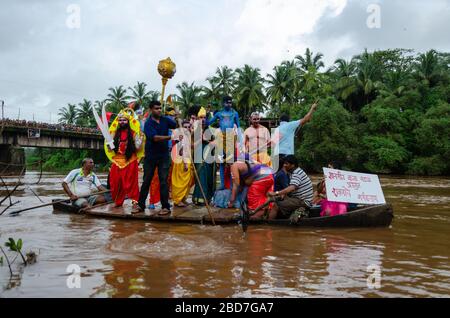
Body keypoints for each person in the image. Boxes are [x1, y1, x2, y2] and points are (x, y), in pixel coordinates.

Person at [137, 101, 177, 215]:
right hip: (150, 156)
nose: (159, 110)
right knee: (146, 181)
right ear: (150, 110)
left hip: (164, 156)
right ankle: (140, 205)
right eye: (156, 108)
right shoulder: (148, 123)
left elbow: (175, 125)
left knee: (164, 181)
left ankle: (165, 207)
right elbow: (155, 138)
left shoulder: (164, 119)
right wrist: (171, 136)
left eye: (160, 108)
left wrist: (177, 118)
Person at [106, 109, 144, 208]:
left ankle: (135, 200)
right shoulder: (115, 133)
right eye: (120, 120)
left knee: (131, 182)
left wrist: (141, 138)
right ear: (118, 121)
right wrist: (109, 145)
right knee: (114, 181)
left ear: (128, 121)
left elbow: (138, 148)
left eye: (124, 120)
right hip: (117, 160)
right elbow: (111, 149)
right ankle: (118, 201)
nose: (122, 122)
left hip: (130, 160)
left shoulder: (133, 133)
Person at [207, 96, 240, 189]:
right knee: (221, 162)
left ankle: (230, 184)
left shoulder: (235, 113)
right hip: (221, 137)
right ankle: (222, 184)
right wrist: (207, 114)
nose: (229, 104)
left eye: (230, 102)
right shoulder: (219, 114)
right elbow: (208, 122)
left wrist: (240, 141)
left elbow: (238, 127)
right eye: (227, 102)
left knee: (230, 162)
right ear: (223, 103)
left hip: (230, 136)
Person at [273, 102, 318, 170]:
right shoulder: (290, 125)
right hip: (287, 156)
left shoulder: (276, 129)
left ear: (280, 121)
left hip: (276, 156)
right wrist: (312, 108)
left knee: (279, 175)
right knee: (290, 174)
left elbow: (273, 143)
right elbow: (306, 119)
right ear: (288, 120)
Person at [267, 155, 313, 220]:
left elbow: (292, 188)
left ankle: (268, 224)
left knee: (276, 205)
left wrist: (276, 193)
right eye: (284, 163)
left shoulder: (297, 173)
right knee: (278, 200)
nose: (284, 165)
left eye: (286, 164)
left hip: (303, 201)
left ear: (293, 165)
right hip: (299, 199)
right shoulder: (293, 172)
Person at [192, 107, 217, 206]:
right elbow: (191, 144)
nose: (203, 119)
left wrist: (208, 141)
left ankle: (207, 197)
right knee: (200, 175)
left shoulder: (211, 130)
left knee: (209, 176)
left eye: (204, 117)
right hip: (198, 154)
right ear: (198, 119)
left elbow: (216, 143)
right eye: (200, 118)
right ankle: (199, 198)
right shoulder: (194, 130)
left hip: (209, 155)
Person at [171, 120, 194, 207]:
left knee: (187, 181)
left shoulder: (188, 137)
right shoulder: (180, 138)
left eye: (189, 127)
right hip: (181, 162)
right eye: (185, 127)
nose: (187, 129)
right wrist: (185, 164)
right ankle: (178, 200)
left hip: (188, 160)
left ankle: (183, 198)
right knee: (180, 182)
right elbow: (181, 151)